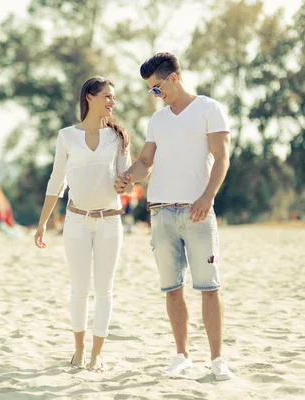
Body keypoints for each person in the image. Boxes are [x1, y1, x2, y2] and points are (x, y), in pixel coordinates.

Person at [115, 53, 234, 380]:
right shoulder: (158, 120)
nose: (155, 94)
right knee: (172, 288)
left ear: (173, 78)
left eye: (157, 88)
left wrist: (207, 197)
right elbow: (145, 163)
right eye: (151, 91)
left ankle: (217, 359)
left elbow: (222, 158)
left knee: (209, 286)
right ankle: (182, 354)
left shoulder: (209, 109)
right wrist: (128, 175)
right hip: (161, 213)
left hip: (198, 213)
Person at [34, 76, 131, 371]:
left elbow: (127, 178)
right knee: (78, 289)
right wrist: (42, 223)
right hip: (76, 221)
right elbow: (56, 181)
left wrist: (123, 183)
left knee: (104, 290)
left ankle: (96, 355)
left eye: (113, 97)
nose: (112, 102)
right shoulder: (67, 136)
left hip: (109, 222)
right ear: (90, 97)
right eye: (107, 96)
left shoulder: (119, 137)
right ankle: (78, 350)